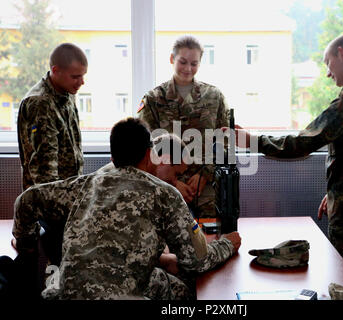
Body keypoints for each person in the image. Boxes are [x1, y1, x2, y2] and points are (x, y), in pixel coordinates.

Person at [229, 35, 343, 294]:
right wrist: (335, 191)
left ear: (342, 54)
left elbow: (304, 142)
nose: (328, 72)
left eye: (328, 62)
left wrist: (252, 141)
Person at [12, 117, 241, 300]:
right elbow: (197, 261)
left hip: (69, 291)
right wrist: (228, 244)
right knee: (189, 291)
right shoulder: (164, 194)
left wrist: (26, 245)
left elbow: (26, 200)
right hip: (125, 294)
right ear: (148, 155)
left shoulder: (85, 184)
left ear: (113, 157)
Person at [138, 35, 230, 219]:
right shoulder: (154, 99)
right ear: (172, 59)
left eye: (194, 63)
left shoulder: (214, 96)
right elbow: (147, 149)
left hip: (207, 188)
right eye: (183, 62)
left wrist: (205, 175)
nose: (188, 69)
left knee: (212, 238)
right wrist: (173, 181)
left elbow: (225, 140)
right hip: (165, 187)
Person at [17, 42, 87, 191]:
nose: (81, 82)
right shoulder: (40, 103)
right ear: (55, 70)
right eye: (75, 77)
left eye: (83, 76)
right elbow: (45, 174)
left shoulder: (66, 93)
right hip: (49, 201)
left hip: (68, 193)